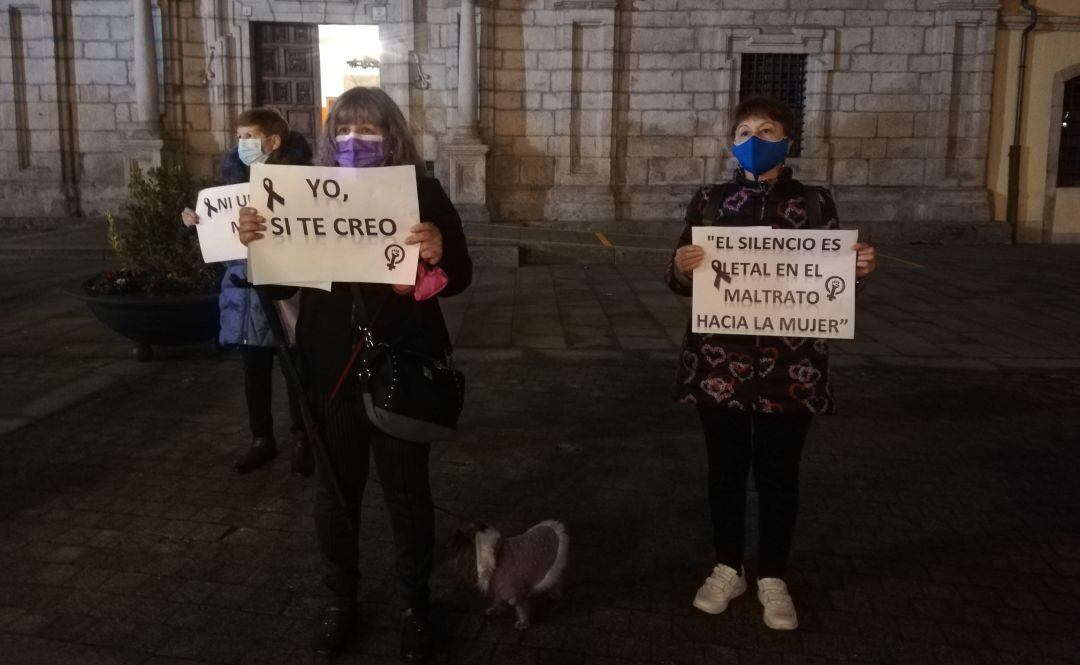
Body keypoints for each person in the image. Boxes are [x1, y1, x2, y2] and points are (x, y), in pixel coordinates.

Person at [236, 87, 472, 660]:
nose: (354, 141)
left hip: (397, 367)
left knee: (408, 497)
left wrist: (440, 249)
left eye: (367, 130)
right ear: (329, 138)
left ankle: (414, 605)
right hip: (332, 372)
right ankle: (340, 601)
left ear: (392, 136)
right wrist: (258, 246)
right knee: (336, 497)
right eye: (344, 130)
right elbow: (280, 287)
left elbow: (461, 273)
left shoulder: (423, 192)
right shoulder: (307, 196)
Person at [666, 95, 876, 631]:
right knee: (726, 471)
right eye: (743, 130)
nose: (753, 139)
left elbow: (831, 278)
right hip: (719, 362)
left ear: (788, 140)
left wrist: (857, 268)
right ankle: (727, 566)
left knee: (780, 474)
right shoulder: (710, 201)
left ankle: (773, 575)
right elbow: (679, 278)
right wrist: (682, 267)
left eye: (766, 128)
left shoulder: (813, 200)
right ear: (730, 142)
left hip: (792, 366)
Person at [181, 108, 314, 476]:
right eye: (238, 137)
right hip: (245, 291)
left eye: (249, 137)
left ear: (274, 141)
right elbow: (218, 241)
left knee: (294, 369)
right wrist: (196, 223)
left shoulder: (302, 181)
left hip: (287, 292)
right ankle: (262, 438)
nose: (241, 144)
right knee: (254, 370)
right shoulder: (229, 184)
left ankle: (303, 437)